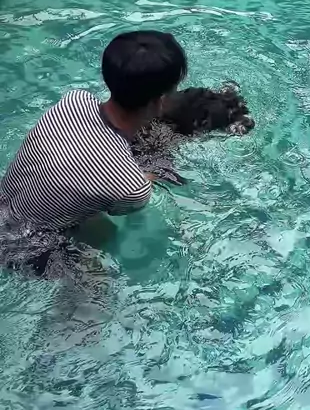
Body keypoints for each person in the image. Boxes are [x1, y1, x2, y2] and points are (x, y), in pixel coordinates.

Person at [0, 30, 187, 274]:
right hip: (28, 250)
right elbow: (123, 197)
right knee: (101, 279)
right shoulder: (132, 187)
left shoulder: (72, 101)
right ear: (160, 101)